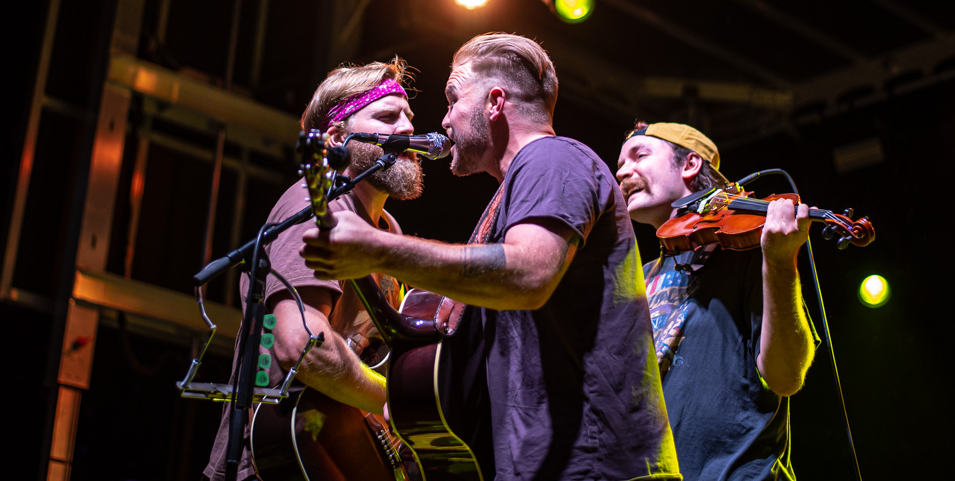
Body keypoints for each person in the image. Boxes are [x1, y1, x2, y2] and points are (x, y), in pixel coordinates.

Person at [302, 33, 680, 480]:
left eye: (452, 98)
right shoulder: (511, 194)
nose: (442, 120)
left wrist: (379, 250)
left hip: (594, 464)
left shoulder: (552, 159)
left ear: (494, 102)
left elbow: (528, 275)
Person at [205, 57, 425, 481]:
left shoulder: (387, 231)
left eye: (409, 117)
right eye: (387, 116)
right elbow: (302, 345)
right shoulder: (316, 208)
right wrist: (394, 400)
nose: (407, 129)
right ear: (336, 137)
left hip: (335, 453)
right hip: (276, 461)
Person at [615, 121, 818, 480]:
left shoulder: (751, 252)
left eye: (639, 155)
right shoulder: (639, 277)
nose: (622, 171)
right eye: (620, 164)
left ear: (690, 165)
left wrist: (781, 261)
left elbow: (786, 377)